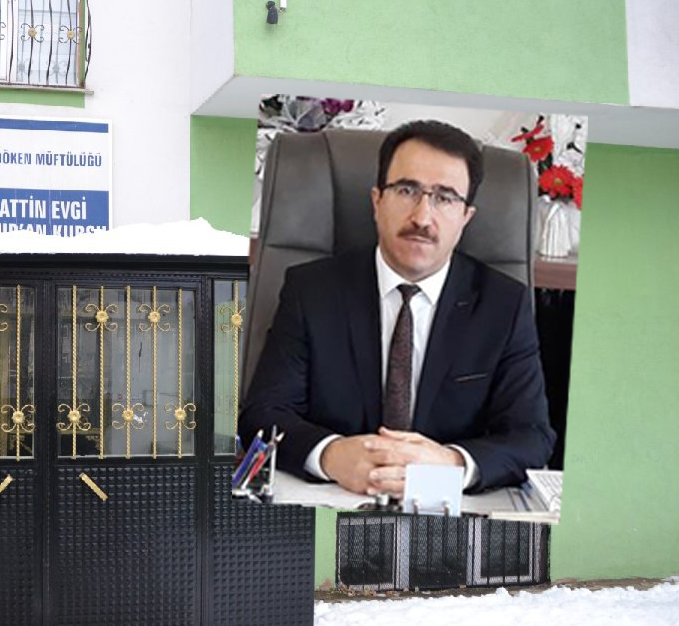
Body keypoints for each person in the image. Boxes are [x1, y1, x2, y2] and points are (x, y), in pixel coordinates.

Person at [238, 120, 555, 496]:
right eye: (407, 190)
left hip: (444, 508)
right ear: (377, 201)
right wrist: (330, 455)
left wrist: (452, 465)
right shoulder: (312, 291)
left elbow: (532, 437)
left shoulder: (504, 305)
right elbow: (264, 413)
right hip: (335, 496)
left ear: (465, 217)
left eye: (445, 198)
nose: (422, 218)